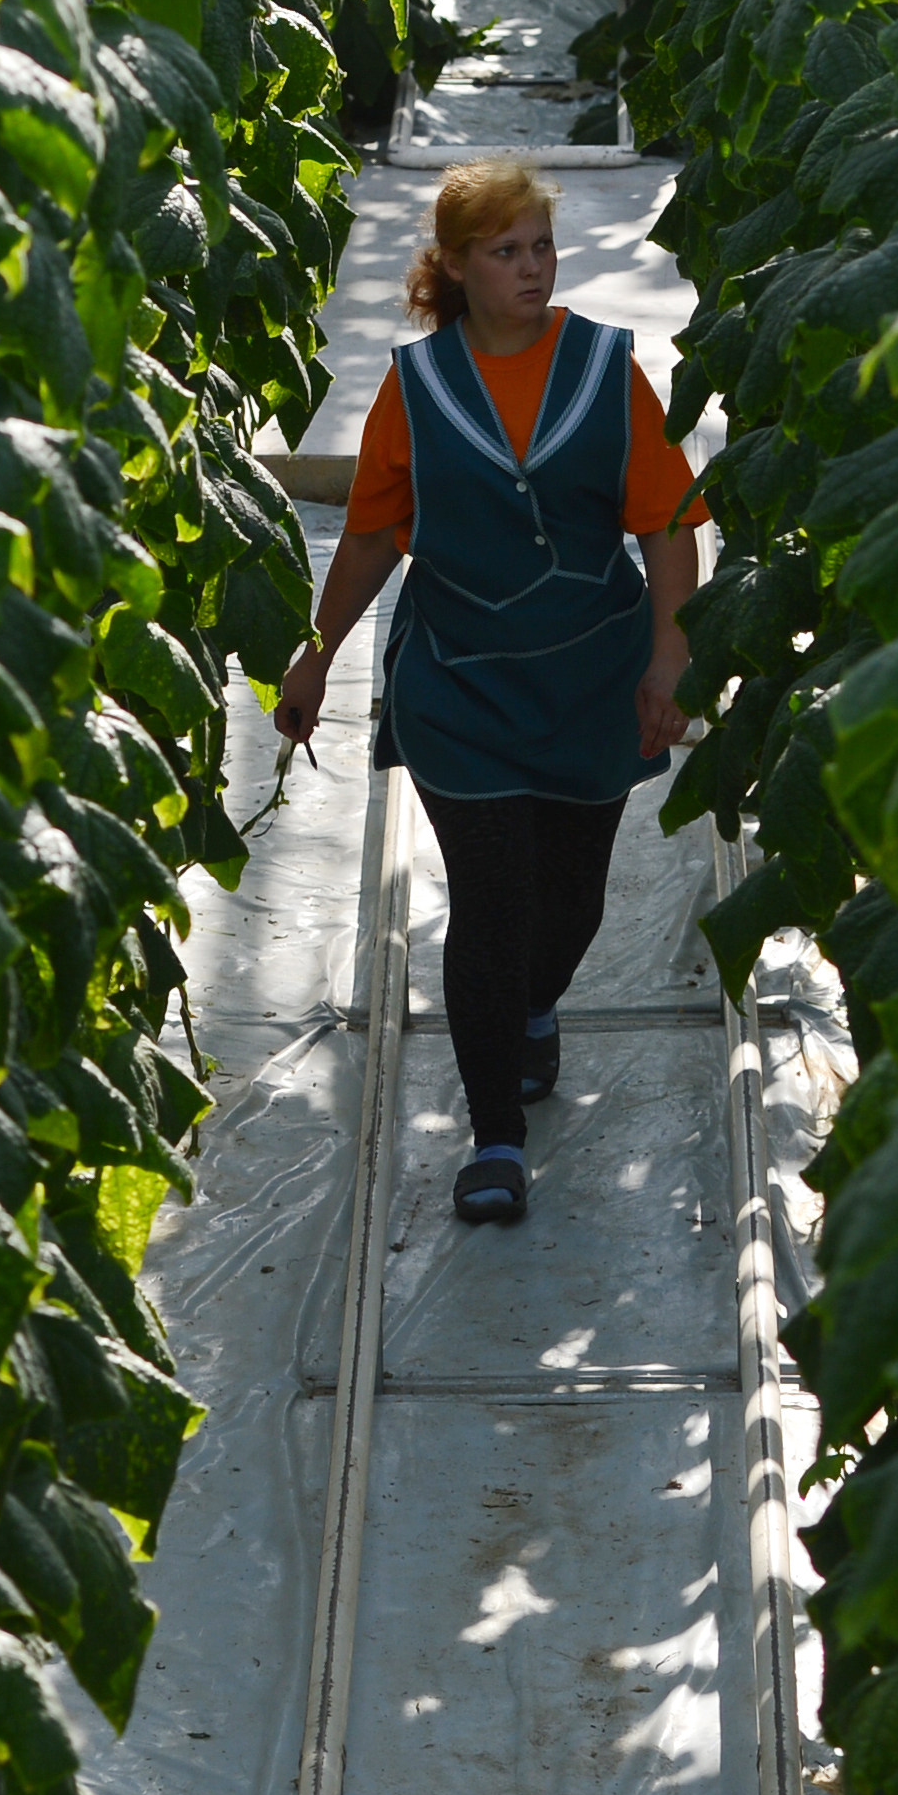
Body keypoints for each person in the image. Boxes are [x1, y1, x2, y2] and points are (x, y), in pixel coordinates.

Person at [272, 160, 701, 1228]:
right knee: (492, 899)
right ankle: (494, 1136)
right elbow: (370, 531)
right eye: (505, 251)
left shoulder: (605, 370)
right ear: (456, 266)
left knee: (573, 902)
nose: (530, 268)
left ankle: (536, 1002)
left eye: (541, 247)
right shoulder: (416, 387)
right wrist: (315, 651)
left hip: (590, 676)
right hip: (458, 682)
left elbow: (664, 523)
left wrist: (668, 659)